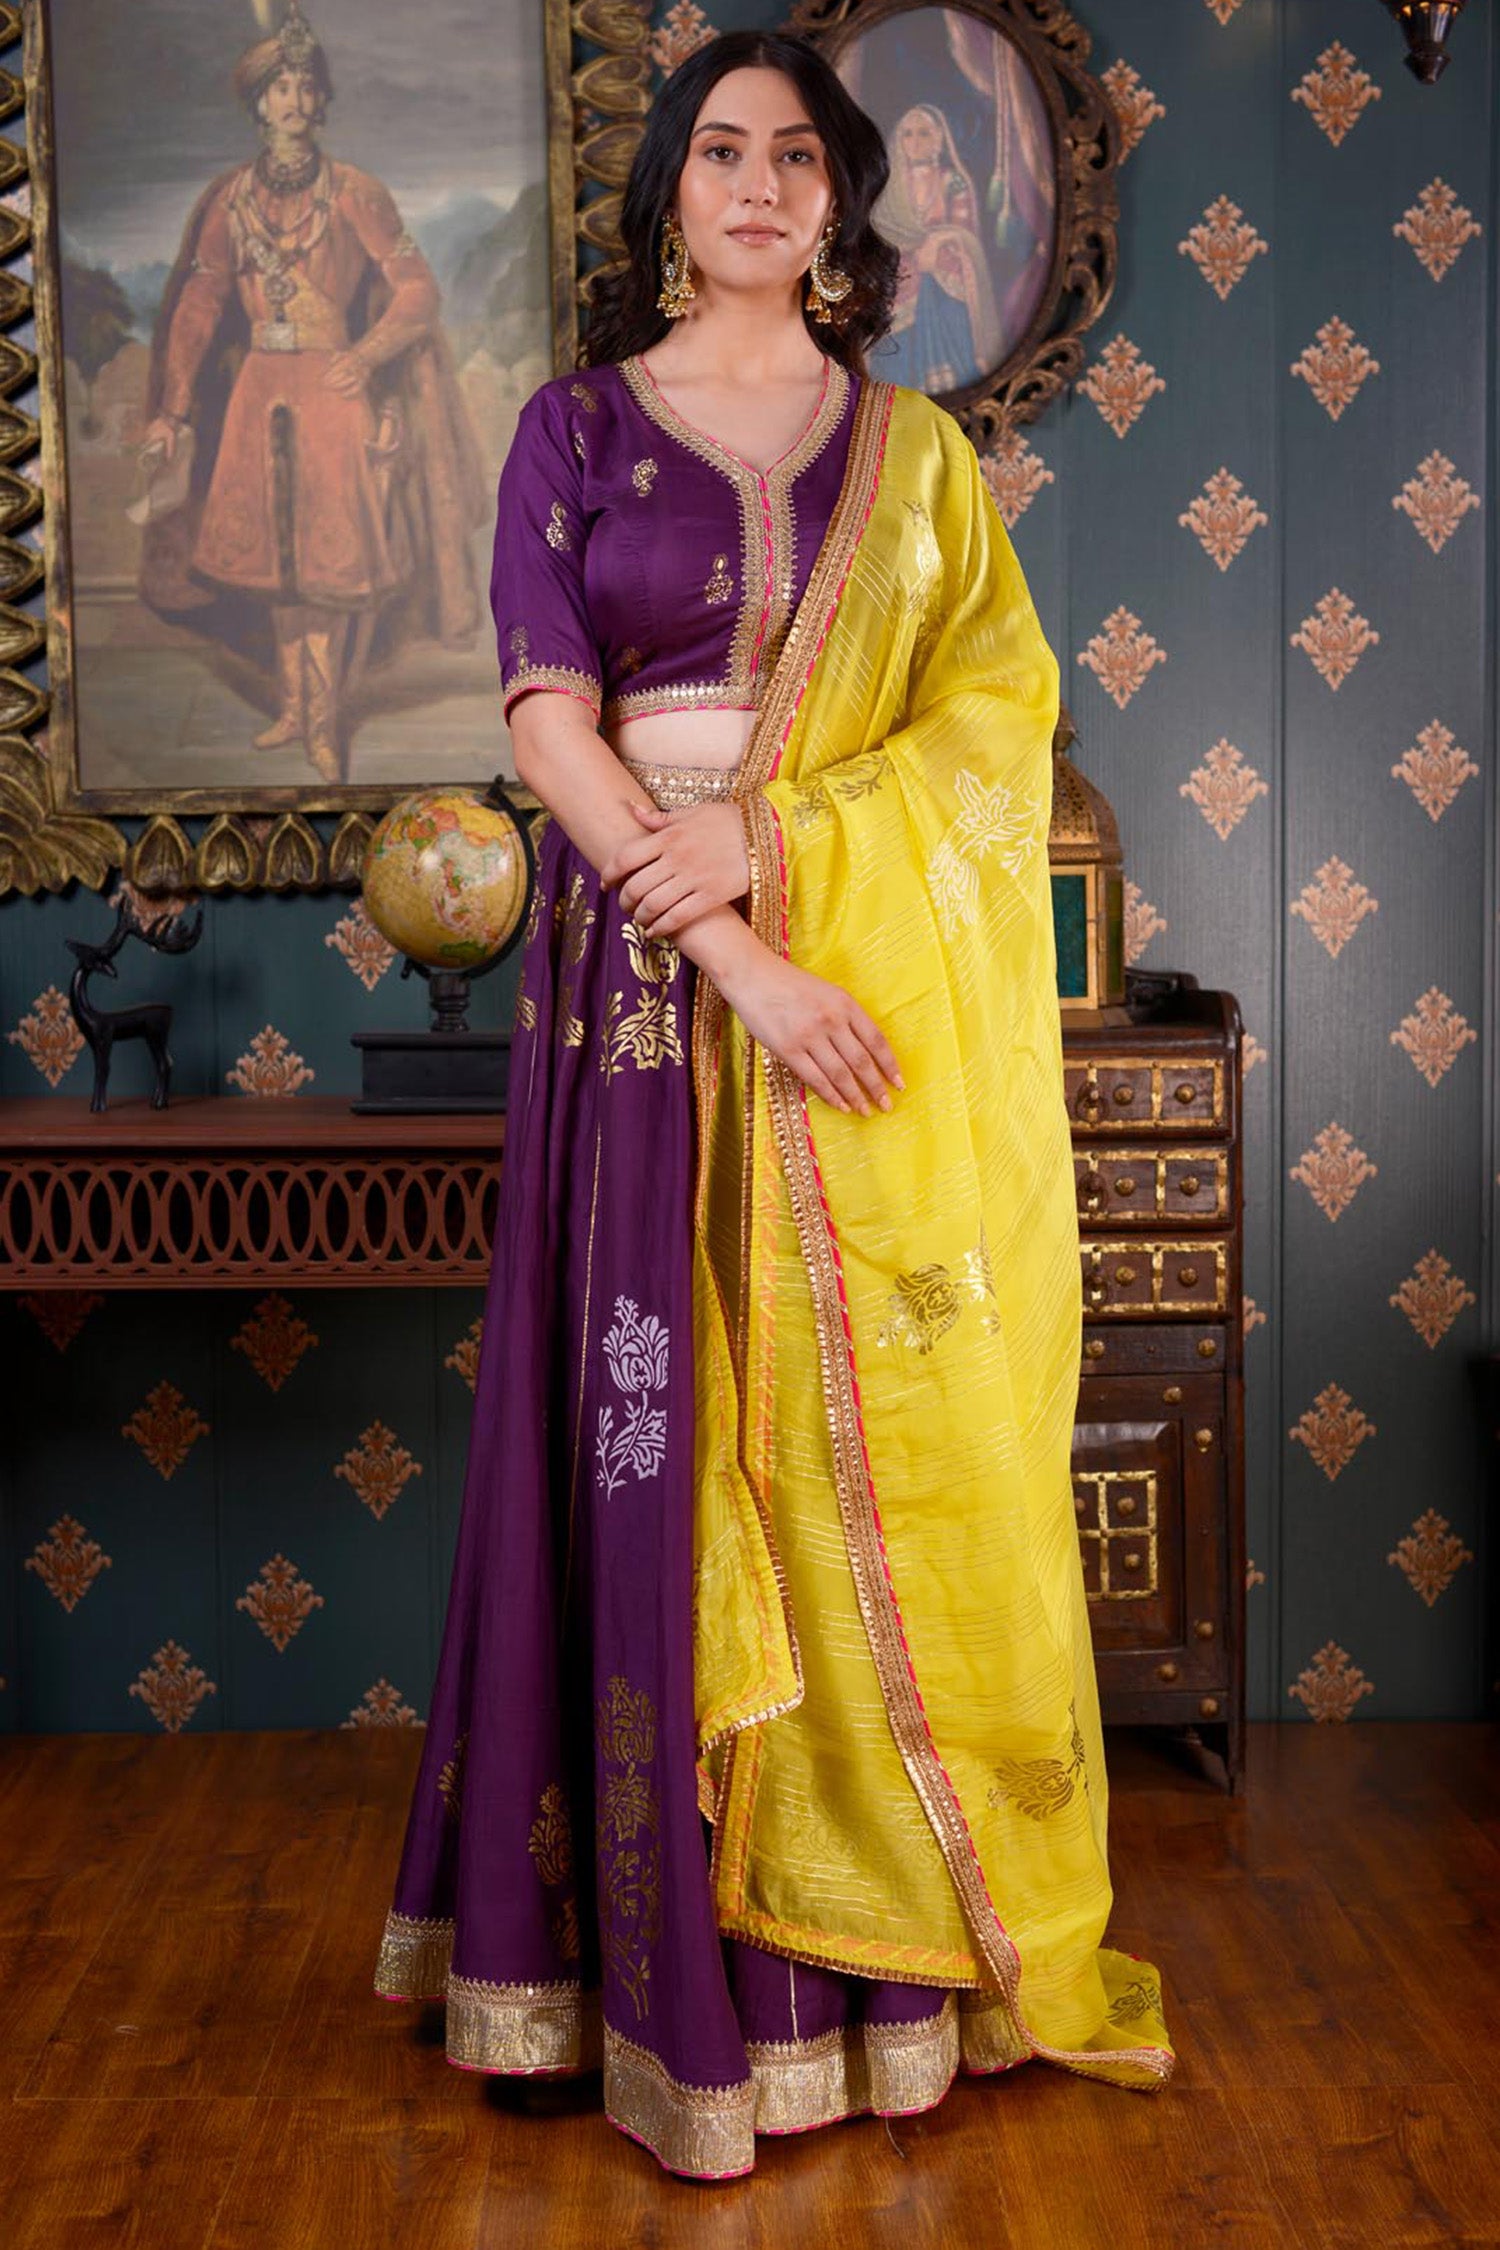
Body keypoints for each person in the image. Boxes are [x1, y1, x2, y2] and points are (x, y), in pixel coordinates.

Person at [375, 28, 1174, 2180]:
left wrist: (796, 848)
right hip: (649, 993)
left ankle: (866, 1983)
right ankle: (646, 1982)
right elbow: (548, 720)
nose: (756, 183)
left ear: (839, 202)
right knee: (648, 1441)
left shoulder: (916, 460)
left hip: (856, 1012)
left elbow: (994, 727)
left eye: (796, 157)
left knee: (852, 1448)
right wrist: (741, 936)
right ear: (672, 190)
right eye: (720, 150)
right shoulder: (571, 430)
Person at [138, 3, 484, 783]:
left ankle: (323, 723)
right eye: (279, 88)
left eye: (304, 86)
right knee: (275, 566)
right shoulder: (231, 201)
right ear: (258, 104)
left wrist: (365, 354)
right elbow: (200, 304)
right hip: (258, 394)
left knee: (327, 573)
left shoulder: (355, 191)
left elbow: (418, 291)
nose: (293, 100)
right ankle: (294, 708)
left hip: (332, 393)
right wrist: (173, 408)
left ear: (319, 98)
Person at [877, 101, 1000, 393]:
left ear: (940, 140)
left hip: (944, 269)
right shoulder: (891, 186)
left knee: (936, 287)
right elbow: (882, 231)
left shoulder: (952, 181)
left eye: (924, 133)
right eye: (908, 134)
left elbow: (963, 233)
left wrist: (935, 246)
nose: (915, 142)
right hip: (902, 271)